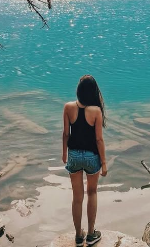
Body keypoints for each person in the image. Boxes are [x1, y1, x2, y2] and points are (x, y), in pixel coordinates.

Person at [62, 75, 108, 246]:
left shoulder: (68, 107)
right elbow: (99, 140)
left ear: (79, 90)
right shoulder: (96, 111)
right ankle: (90, 234)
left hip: (73, 155)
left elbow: (66, 134)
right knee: (92, 193)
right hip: (91, 157)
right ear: (94, 92)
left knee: (77, 197)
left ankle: (78, 236)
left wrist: (64, 153)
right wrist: (103, 163)